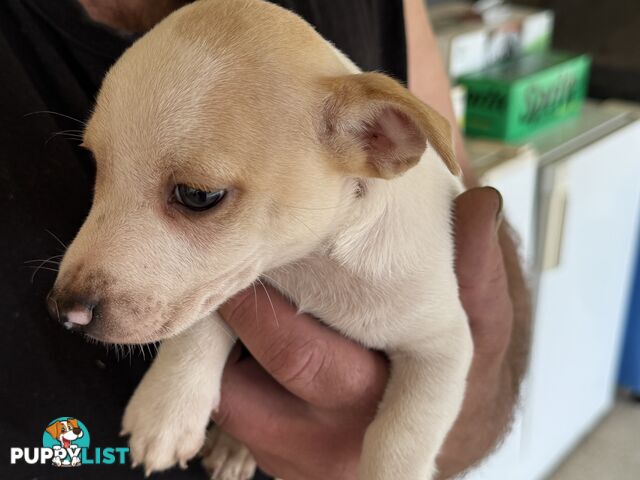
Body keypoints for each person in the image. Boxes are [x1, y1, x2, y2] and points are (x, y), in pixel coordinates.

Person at [0, 0, 530, 479]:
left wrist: (425, 448)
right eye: (102, 163)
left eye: (196, 196)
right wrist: (190, 364)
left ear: (380, 140)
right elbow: (239, 278)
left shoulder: (402, 243)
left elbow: (445, 351)